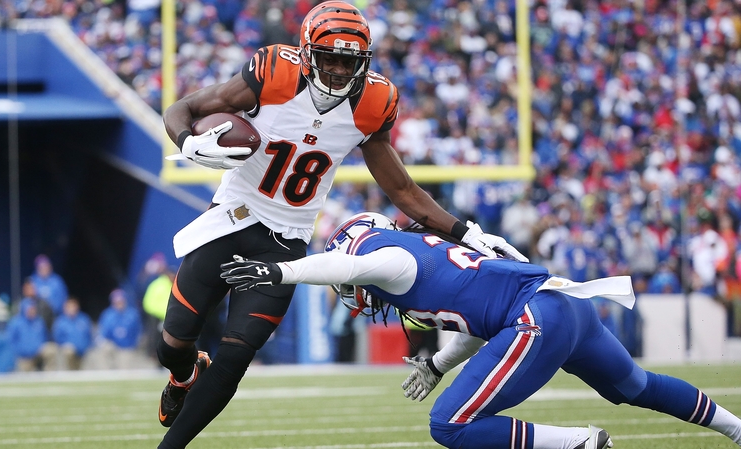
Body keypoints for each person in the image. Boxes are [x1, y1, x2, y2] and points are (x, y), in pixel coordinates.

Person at [155, 2, 516, 447]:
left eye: (348, 61)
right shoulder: (272, 72)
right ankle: (186, 373)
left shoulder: (373, 103)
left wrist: (467, 233)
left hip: (285, 240)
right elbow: (183, 107)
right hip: (231, 217)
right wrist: (188, 140)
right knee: (170, 344)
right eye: (329, 57)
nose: (338, 70)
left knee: (237, 354)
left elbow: (402, 190)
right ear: (307, 53)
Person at [220, 212, 741, 449]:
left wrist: (281, 270)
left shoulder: (389, 260)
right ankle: (736, 429)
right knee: (634, 387)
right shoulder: (418, 253)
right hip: (564, 305)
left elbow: (346, 271)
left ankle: (581, 443)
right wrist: (436, 363)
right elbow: (480, 323)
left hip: (538, 316)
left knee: (449, 426)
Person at [6, 298, 57, 372]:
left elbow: (45, 337)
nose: (32, 311)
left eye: (33, 309)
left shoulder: (39, 321)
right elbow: (11, 341)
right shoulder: (15, 323)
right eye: (29, 309)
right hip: (24, 356)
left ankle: (49, 374)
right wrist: (22, 351)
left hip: (38, 352)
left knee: (51, 350)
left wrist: (38, 347)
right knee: (25, 376)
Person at [96, 288, 142, 369]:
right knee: (105, 348)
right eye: (116, 302)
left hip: (127, 347)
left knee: (125, 368)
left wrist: (133, 345)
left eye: (121, 301)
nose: (119, 304)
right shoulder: (107, 315)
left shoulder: (132, 314)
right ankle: (107, 371)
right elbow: (103, 334)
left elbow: (137, 332)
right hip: (113, 347)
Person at [51, 297, 93, 370]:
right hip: (69, 353)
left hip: (84, 351)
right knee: (68, 351)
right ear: (65, 308)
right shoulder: (60, 322)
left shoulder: (84, 319)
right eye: (69, 307)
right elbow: (57, 338)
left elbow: (90, 335)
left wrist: (88, 346)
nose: (71, 309)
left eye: (73, 306)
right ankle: (70, 372)